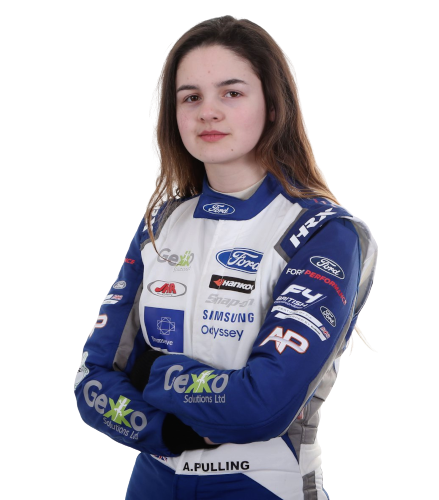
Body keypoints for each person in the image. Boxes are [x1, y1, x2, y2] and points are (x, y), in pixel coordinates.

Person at [74, 15, 378, 500]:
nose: (208, 112)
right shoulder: (160, 224)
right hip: (151, 481)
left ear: (273, 107)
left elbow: (262, 407)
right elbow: (92, 385)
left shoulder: (323, 232)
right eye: (191, 97)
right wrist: (170, 432)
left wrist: (151, 371)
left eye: (231, 93)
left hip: (262, 483)